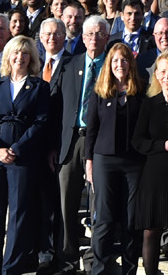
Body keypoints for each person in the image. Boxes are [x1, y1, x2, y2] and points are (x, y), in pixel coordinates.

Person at [0, 36, 49, 275]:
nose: (20, 57)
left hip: (23, 155)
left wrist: (17, 149)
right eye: (16, 53)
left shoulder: (40, 87)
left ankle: (11, 267)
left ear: (32, 58)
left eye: (25, 53)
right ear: (8, 56)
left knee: (18, 212)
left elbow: (40, 122)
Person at [53, 15, 112, 271]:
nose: (94, 39)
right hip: (71, 141)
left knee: (99, 202)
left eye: (99, 34)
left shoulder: (113, 65)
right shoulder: (69, 64)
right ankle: (67, 258)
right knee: (66, 201)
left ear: (107, 38)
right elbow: (55, 106)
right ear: (82, 38)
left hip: (101, 141)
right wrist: (53, 146)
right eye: (89, 34)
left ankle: (95, 259)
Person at [87, 42, 147, 275]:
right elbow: (91, 129)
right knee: (105, 218)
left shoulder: (140, 90)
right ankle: (100, 269)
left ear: (130, 63)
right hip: (104, 161)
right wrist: (89, 162)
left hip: (134, 163)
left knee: (131, 220)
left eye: (124, 60)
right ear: (109, 65)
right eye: (115, 61)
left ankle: (129, 270)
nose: (119, 64)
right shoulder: (100, 91)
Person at [133, 50, 168, 275]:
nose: (167, 77)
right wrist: (163, 145)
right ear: (156, 74)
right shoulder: (149, 104)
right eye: (163, 71)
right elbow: (137, 141)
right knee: (151, 229)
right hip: (153, 174)